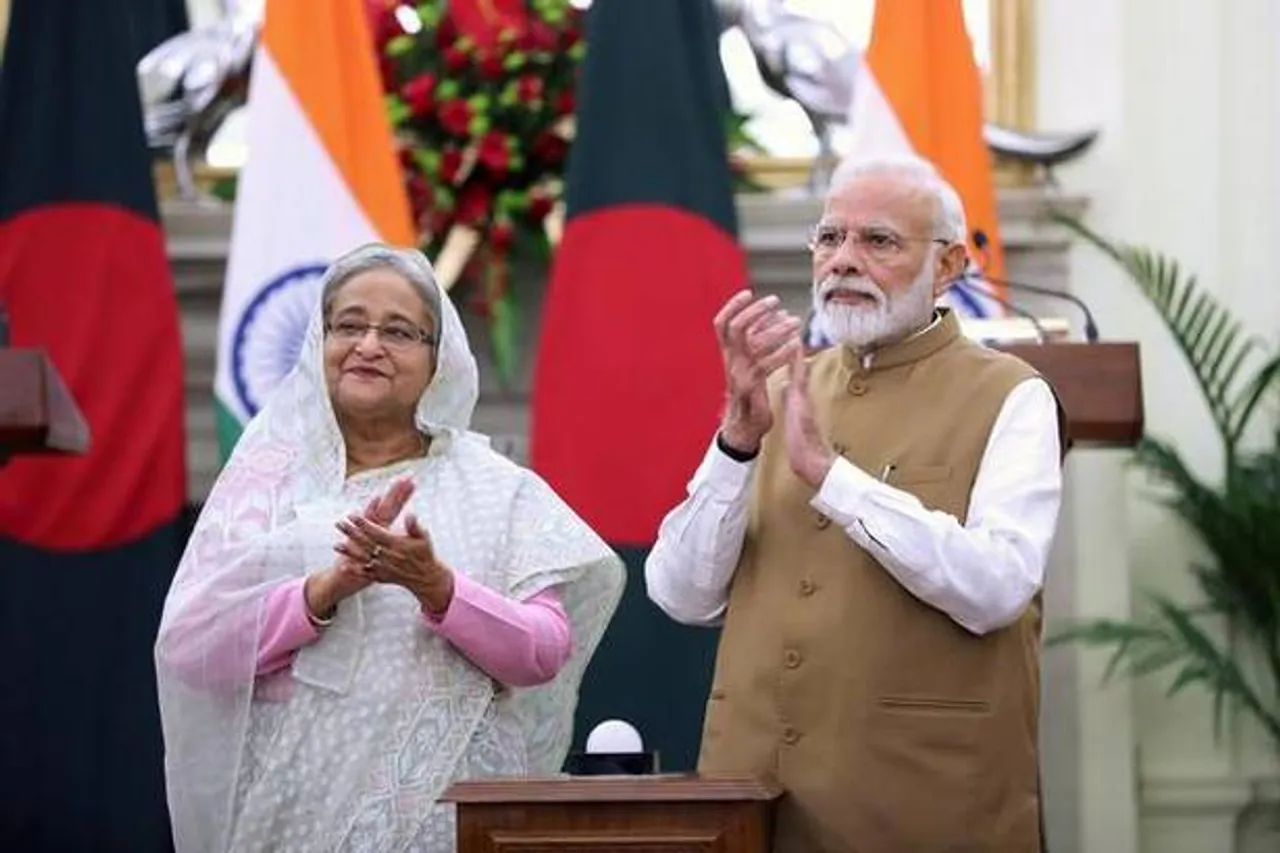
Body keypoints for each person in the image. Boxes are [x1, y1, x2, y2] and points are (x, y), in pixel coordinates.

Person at [645, 154, 1064, 852]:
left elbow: (998, 586)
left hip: (922, 808)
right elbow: (678, 593)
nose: (843, 260)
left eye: (878, 240)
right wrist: (735, 443)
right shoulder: (777, 394)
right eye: (829, 237)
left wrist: (835, 479)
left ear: (950, 265)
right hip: (754, 803)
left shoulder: (1012, 394)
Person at [155, 244, 624, 852]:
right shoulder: (267, 480)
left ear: (439, 360)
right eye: (348, 325)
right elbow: (192, 649)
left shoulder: (495, 486)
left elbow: (543, 652)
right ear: (319, 344)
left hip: (448, 822)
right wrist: (321, 592)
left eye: (399, 331)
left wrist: (440, 589)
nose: (368, 345)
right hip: (291, 814)